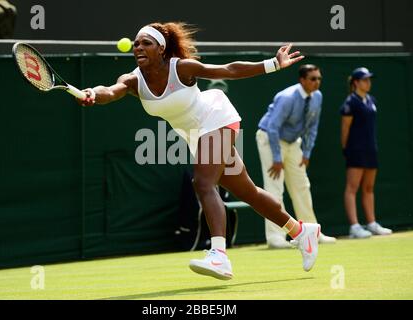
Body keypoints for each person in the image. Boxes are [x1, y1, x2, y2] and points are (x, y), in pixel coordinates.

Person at [78, 22, 321, 280]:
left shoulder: (181, 67)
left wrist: (273, 63)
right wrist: (93, 92)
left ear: (161, 48)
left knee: (203, 183)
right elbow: (111, 92)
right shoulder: (132, 80)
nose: (138, 47)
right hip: (196, 135)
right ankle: (301, 231)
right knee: (247, 191)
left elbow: (227, 70)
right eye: (136, 43)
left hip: (215, 116)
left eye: (146, 42)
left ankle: (219, 255)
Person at [256, 64, 336, 249]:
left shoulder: (317, 97)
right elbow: (273, 128)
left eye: (319, 79)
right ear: (302, 80)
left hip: (293, 144)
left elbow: (313, 127)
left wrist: (306, 152)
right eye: (313, 79)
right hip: (270, 139)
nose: (317, 82)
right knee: (274, 189)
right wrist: (277, 158)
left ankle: (312, 232)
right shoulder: (287, 98)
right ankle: (275, 237)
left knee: (302, 185)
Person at [340, 67, 392, 238]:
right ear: (356, 82)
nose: (368, 83)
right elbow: (345, 129)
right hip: (355, 150)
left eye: (369, 79)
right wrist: (346, 149)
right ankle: (354, 226)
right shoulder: (350, 102)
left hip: (371, 150)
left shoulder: (371, 100)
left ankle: (371, 223)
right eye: (364, 80)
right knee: (352, 188)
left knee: (369, 188)